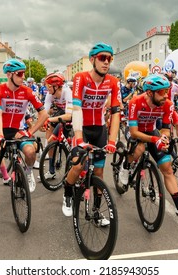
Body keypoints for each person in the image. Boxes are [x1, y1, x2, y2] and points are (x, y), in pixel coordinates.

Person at [0, 58, 48, 232]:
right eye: (20, 74)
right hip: (1, 132)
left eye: (24, 73)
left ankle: (28, 173)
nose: (23, 77)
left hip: (17, 131)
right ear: (9, 75)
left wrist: (31, 132)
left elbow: (43, 114)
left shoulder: (28, 91)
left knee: (30, 151)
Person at [119, 74, 178, 222]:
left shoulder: (167, 104)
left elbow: (166, 129)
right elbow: (134, 132)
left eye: (167, 91)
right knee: (139, 149)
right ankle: (126, 166)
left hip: (151, 131)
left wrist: (164, 139)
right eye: (162, 92)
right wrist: (155, 139)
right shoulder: (135, 102)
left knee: (167, 168)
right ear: (149, 92)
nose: (166, 96)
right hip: (136, 131)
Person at [62, 42, 120, 223]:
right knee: (79, 165)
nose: (106, 62)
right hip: (82, 128)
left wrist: (112, 140)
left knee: (99, 173)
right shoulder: (81, 78)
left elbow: (116, 112)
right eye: (102, 58)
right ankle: (67, 192)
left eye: (109, 59)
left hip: (99, 128)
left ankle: (96, 211)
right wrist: (79, 139)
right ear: (92, 59)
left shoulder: (113, 82)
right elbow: (77, 109)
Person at [40, 72, 73, 179]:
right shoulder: (50, 94)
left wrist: (48, 119)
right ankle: (51, 170)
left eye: (48, 86)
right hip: (59, 113)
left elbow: (69, 116)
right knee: (50, 136)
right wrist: (42, 123)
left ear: (56, 86)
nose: (46, 89)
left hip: (71, 115)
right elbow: (44, 113)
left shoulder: (67, 92)